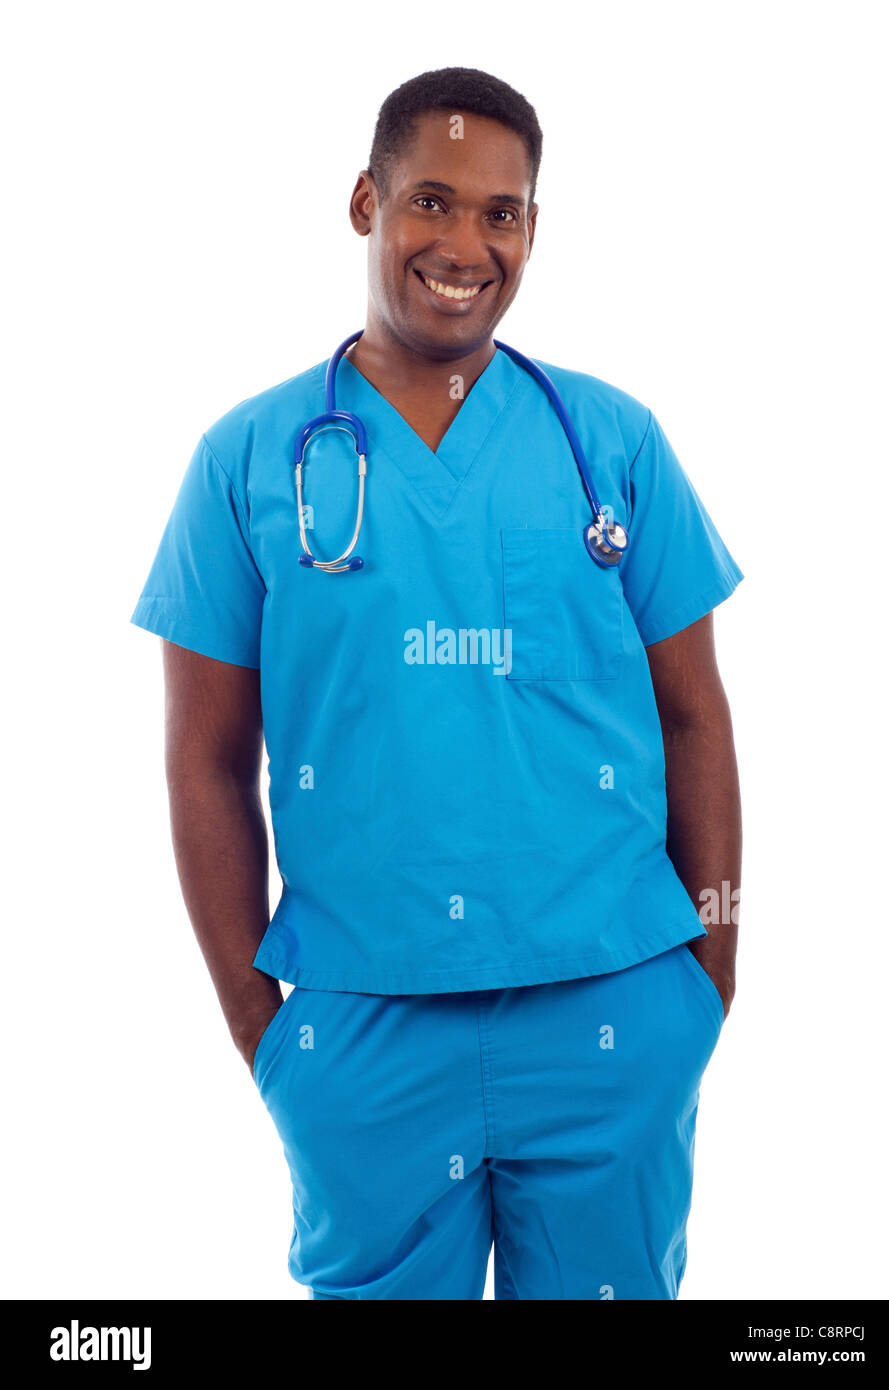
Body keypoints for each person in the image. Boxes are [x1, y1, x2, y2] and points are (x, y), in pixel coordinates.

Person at [130, 66, 744, 1301]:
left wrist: (706, 976)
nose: (465, 244)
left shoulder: (610, 441)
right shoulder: (248, 460)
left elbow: (695, 713)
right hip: (365, 1027)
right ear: (365, 202)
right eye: (431, 201)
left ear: (531, 230)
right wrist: (270, 1034)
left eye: (501, 213)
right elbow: (205, 758)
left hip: (613, 1008)